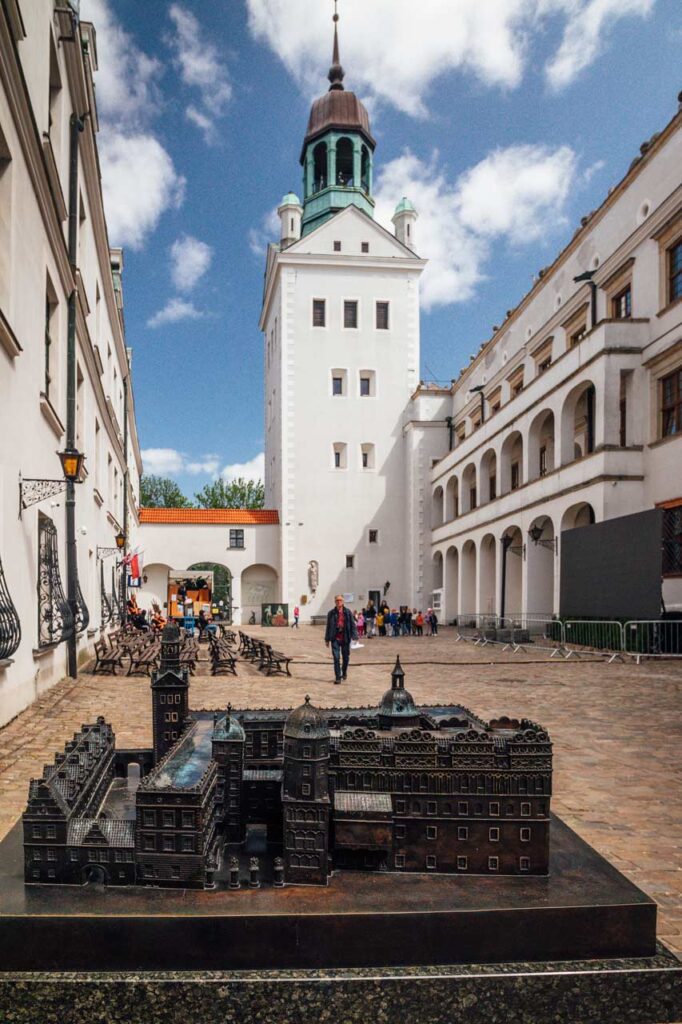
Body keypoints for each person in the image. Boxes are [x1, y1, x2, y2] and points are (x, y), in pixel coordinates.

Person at [324, 594, 358, 683]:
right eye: (337, 600)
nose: (339, 602)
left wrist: (355, 636)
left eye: (340, 600)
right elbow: (328, 626)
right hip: (335, 637)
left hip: (345, 637)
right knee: (336, 658)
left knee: (346, 658)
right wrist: (327, 639)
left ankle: (344, 672)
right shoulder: (331, 613)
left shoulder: (348, 612)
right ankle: (338, 677)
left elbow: (352, 625)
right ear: (335, 602)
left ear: (343, 602)